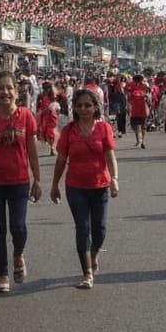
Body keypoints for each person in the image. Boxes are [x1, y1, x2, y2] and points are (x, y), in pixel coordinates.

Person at [49, 89, 118, 290]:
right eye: (79, 105)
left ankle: (93, 254)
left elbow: (110, 156)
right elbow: (61, 160)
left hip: (100, 185)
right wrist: (54, 185)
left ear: (96, 107)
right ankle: (87, 273)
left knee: (100, 229)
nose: (83, 109)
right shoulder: (69, 131)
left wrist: (114, 179)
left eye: (88, 105)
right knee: (82, 228)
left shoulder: (104, 128)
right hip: (75, 187)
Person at [0, 71, 41, 293]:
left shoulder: (26, 116)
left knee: (19, 226)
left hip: (20, 180)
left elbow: (32, 150)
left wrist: (38, 179)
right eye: (1, 88)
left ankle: (18, 254)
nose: (5, 92)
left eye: (9, 88)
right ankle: (3, 275)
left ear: (16, 91)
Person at [126, 74, 151, 149]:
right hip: (143, 110)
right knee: (143, 126)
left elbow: (128, 97)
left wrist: (128, 106)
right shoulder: (144, 86)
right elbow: (149, 97)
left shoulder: (130, 86)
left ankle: (138, 141)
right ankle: (142, 141)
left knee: (136, 126)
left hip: (134, 110)